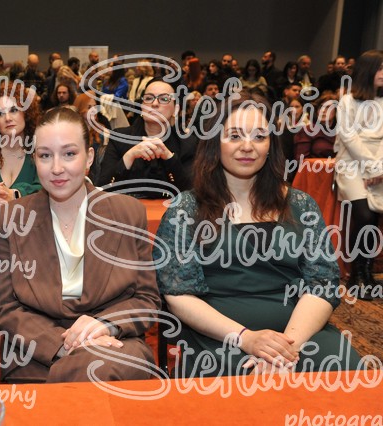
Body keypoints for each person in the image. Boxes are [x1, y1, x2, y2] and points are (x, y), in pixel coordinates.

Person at [153, 92, 361, 377]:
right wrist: (247, 339)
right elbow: (179, 295)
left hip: (299, 332)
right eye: (234, 136)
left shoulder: (301, 205)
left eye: (259, 136)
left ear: (271, 145)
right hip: (219, 334)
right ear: (214, 143)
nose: (247, 146)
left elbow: (321, 286)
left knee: (346, 370)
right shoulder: (186, 209)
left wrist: (285, 348)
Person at [0, 107, 160, 383]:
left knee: (102, 368)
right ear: (35, 160)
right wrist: (64, 346)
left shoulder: (127, 213)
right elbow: (7, 307)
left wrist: (104, 325)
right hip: (38, 352)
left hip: (115, 344)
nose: (57, 168)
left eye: (69, 154)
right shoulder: (13, 217)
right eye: (45, 156)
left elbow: (147, 299)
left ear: (89, 157)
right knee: (91, 373)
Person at [334, 50, 383, 300]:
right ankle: (356, 272)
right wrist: (372, 167)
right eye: (380, 68)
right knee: (364, 215)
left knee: (374, 219)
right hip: (352, 164)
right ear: (368, 70)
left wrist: (379, 168)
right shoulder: (347, 101)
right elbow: (349, 137)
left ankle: (367, 272)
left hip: (380, 167)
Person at [98, 77, 197, 198]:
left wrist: (169, 158)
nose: (154, 104)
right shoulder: (119, 138)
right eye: (149, 98)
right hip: (128, 208)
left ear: (175, 110)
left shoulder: (188, 144)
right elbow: (103, 188)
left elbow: (192, 193)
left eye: (164, 99)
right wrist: (129, 157)